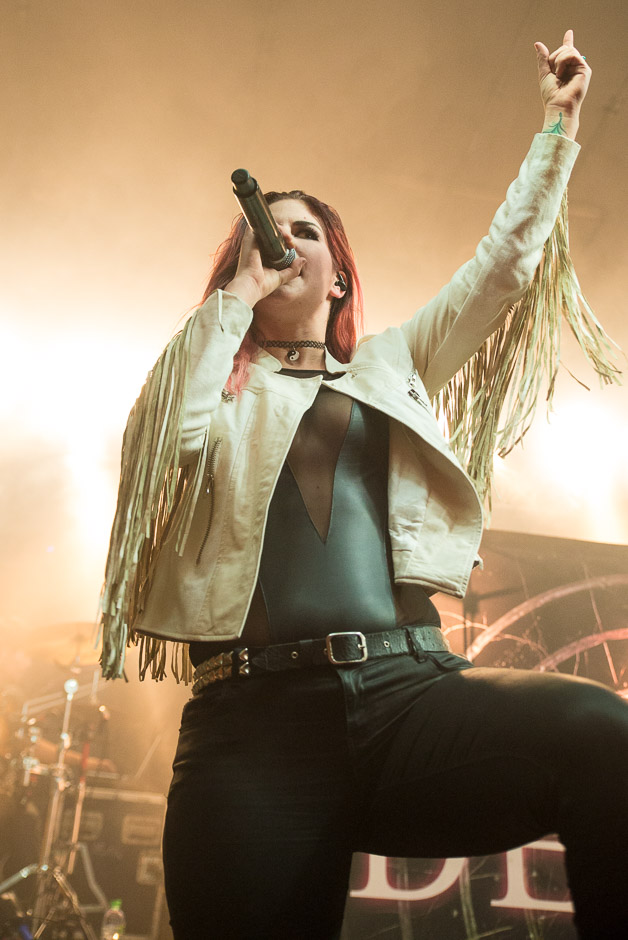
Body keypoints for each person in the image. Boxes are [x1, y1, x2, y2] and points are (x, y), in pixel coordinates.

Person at [100, 29, 628, 940]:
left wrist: (557, 128)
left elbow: (503, 268)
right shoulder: (212, 376)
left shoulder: (393, 364)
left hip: (406, 695)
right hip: (251, 727)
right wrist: (234, 298)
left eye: (303, 232)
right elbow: (168, 441)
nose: (281, 243)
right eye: (263, 233)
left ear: (340, 277)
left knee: (601, 733)